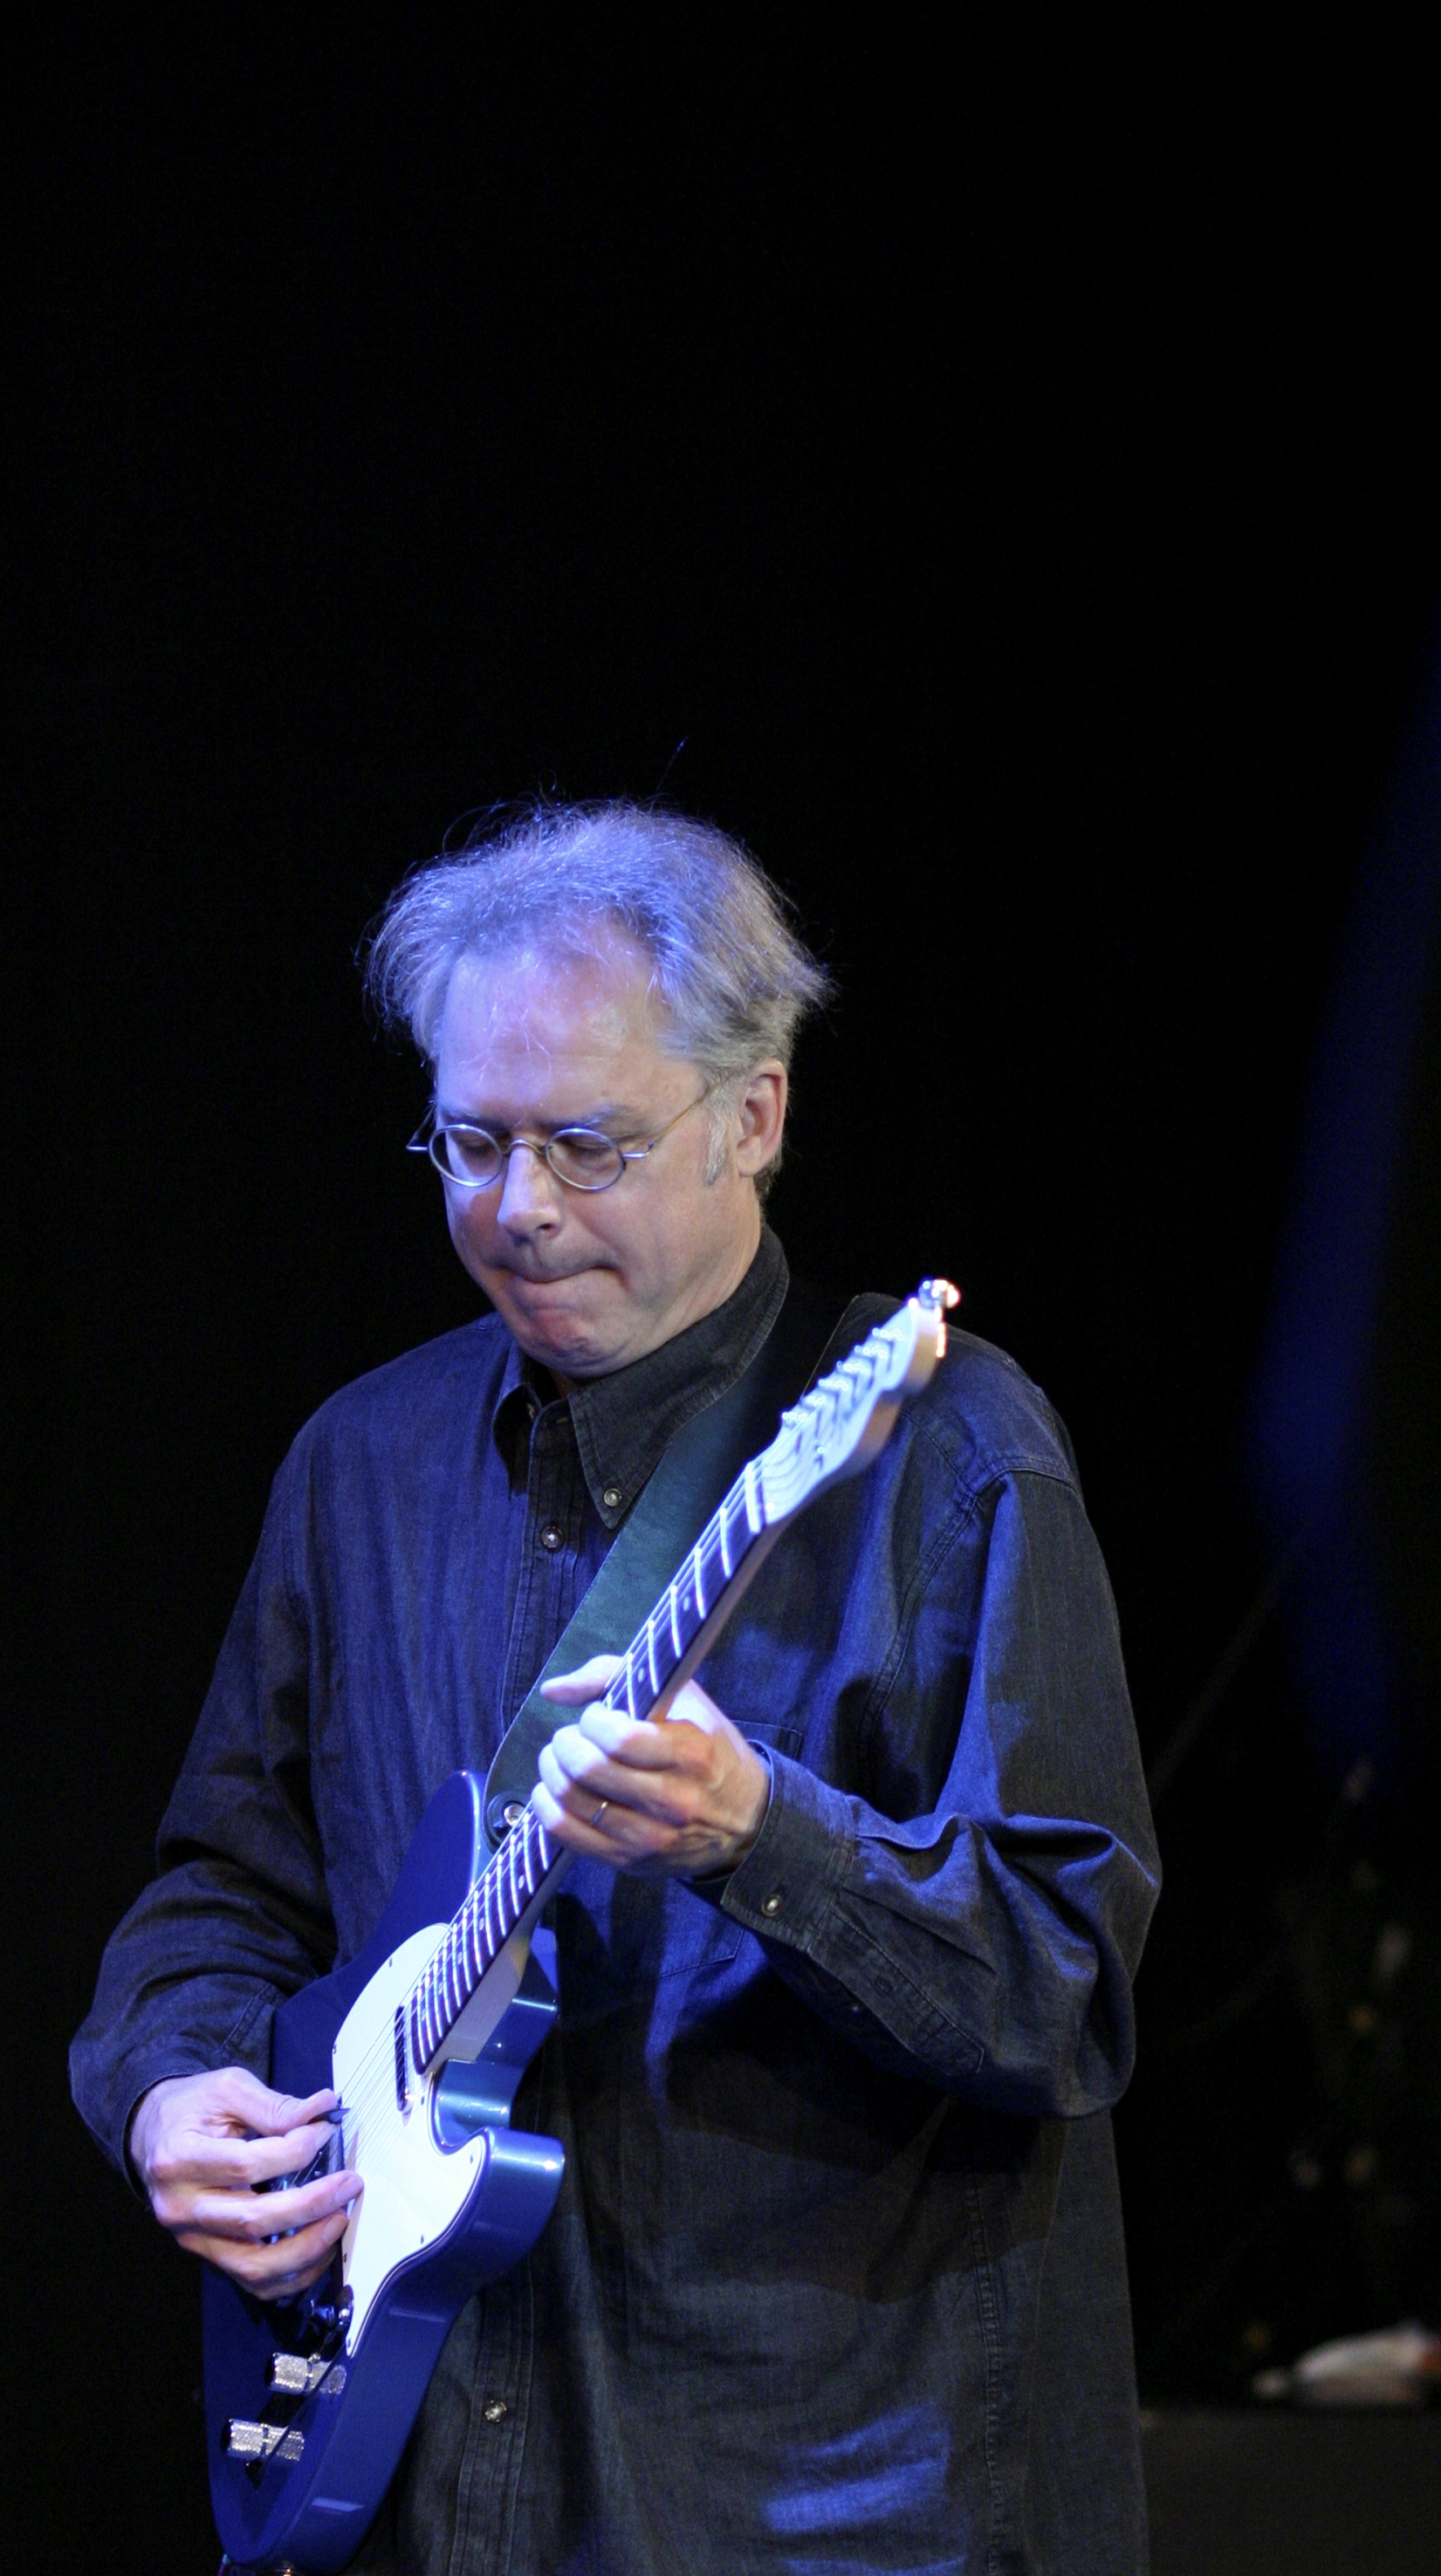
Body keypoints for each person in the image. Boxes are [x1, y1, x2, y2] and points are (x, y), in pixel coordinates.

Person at [71, 803, 1161, 2574]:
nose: (516, 1211)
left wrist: (762, 1833)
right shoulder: (361, 1464)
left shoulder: (951, 1454)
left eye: (586, 1147)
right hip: (429, 2481)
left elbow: (1068, 1994)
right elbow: (221, 1887)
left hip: (813, 2503)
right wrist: (166, 2084)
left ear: (755, 1115)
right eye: (469, 1143)